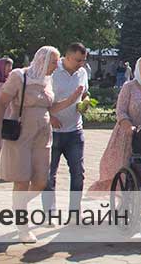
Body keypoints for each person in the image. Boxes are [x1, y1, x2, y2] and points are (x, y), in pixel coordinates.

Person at [0, 46, 85, 243]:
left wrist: (72, 99)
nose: (56, 65)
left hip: (43, 136)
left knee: (42, 180)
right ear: (42, 60)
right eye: (53, 61)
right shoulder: (20, 76)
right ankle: (22, 226)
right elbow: (1, 102)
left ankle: (18, 206)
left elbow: (52, 107)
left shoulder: (47, 79)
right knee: (22, 180)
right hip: (22, 134)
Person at [89, 56, 141, 191]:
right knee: (124, 168)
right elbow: (120, 111)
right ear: (138, 70)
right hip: (130, 134)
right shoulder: (129, 87)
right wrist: (129, 127)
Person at [44, 42, 90, 214]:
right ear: (67, 57)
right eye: (78, 60)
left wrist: (85, 103)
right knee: (49, 174)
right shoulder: (53, 70)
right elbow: (41, 98)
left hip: (74, 130)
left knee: (78, 172)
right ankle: (49, 212)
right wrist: (49, 116)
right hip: (52, 131)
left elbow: (85, 93)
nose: (81, 64)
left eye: (83, 60)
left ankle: (74, 211)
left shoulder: (82, 72)